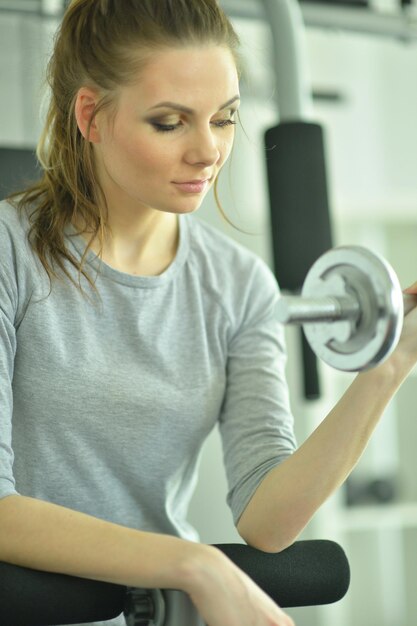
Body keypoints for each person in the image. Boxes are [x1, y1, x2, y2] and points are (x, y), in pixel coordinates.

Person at [0, 2, 416, 626]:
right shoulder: (11, 254)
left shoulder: (237, 283)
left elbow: (267, 520)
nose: (208, 152)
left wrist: (390, 364)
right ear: (89, 114)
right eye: (170, 123)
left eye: (224, 120)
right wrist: (197, 565)